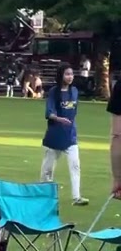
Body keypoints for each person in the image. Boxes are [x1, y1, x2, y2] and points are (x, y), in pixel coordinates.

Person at [42, 63, 88, 206]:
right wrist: (58, 118)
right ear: (61, 75)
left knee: (75, 165)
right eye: (67, 74)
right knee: (47, 169)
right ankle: (44, 194)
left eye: (71, 74)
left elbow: (74, 111)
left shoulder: (74, 91)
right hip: (55, 135)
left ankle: (77, 197)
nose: (70, 77)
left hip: (70, 136)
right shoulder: (54, 92)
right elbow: (48, 112)